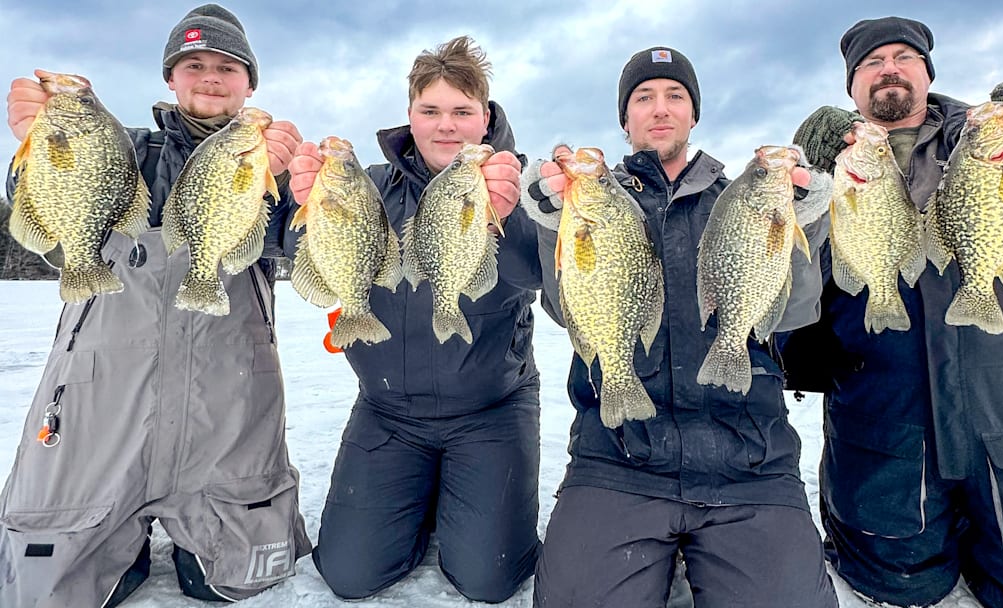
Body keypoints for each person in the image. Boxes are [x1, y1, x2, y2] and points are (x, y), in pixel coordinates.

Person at [0, 4, 312, 606]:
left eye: (228, 66)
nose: (211, 77)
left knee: (240, 579)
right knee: (47, 585)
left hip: (225, 395)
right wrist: (39, 146)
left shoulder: (272, 165)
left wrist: (296, 191)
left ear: (250, 84)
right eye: (194, 64)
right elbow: (53, 225)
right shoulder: (123, 147)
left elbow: (299, 251)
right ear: (171, 77)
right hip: (103, 394)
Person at [519, 46, 838, 607]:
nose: (659, 108)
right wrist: (552, 223)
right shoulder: (594, 202)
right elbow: (568, 307)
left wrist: (803, 219)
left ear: (694, 114)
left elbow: (793, 311)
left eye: (675, 96)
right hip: (619, 458)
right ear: (625, 120)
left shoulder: (738, 197)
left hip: (749, 459)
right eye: (643, 98)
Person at [780, 16, 1003, 608]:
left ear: (926, 72)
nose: (888, 69)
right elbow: (785, 259)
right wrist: (811, 183)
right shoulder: (832, 160)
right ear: (852, 87)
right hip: (879, 416)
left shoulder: (993, 138)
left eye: (903, 58)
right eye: (872, 63)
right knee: (888, 583)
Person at [285, 36, 542, 602]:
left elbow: (541, 271)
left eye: (461, 112)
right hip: (389, 412)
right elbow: (292, 241)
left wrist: (510, 219)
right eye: (431, 111)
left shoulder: (518, 188)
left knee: (488, 578)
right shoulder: (366, 188)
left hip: (490, 412)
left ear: (486, 117)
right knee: (350, 576)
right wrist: (297, 194)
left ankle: (458, 497)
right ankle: (422, 495)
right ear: (409, 116)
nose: (446, 126)